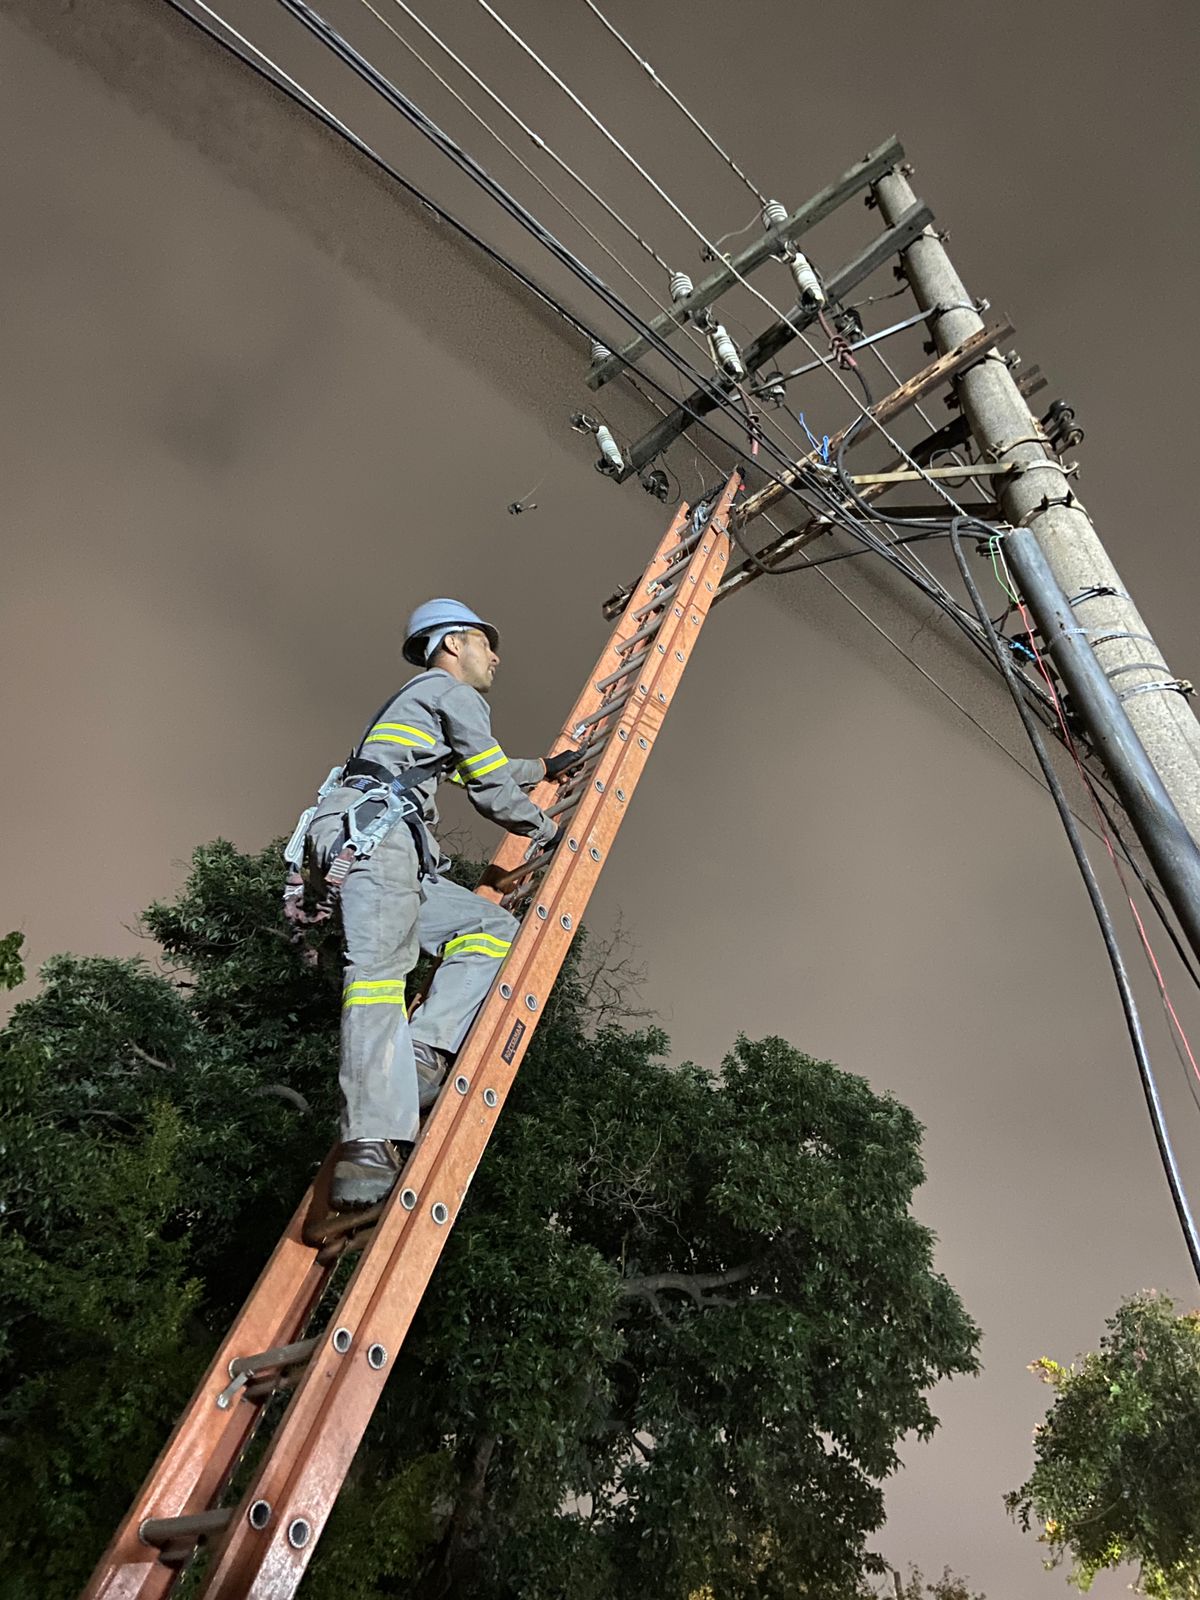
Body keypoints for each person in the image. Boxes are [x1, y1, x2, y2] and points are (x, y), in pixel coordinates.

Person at [301, 599, 580, 1210]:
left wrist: (543, 767)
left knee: (489, 928)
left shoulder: (422, 703)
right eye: (485, 642)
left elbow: (473, 765)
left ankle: (422, 1056)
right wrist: (549, 831)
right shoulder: (452, 693)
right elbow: (488, 784)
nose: (495, 656)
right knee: (378, 976)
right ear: (453, 643)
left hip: (375, 843)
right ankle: (368, 1144)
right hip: (375, 839)